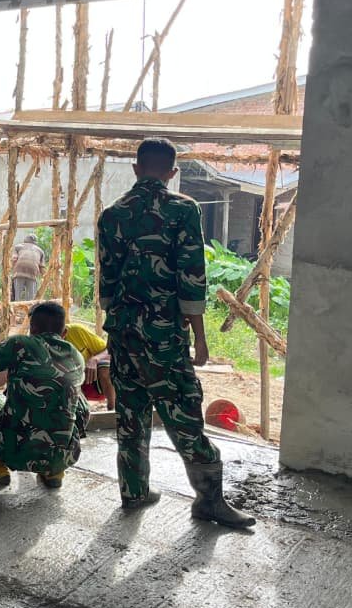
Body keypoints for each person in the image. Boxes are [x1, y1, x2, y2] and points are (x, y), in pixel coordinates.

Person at [97, 138, 254, 527]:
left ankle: (134, 492)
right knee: (183, 413)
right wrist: (199, 336)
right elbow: (191, 275)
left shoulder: (112, 215)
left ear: (136, 169)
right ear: (172, 172)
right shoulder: (183, 210)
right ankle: (209, 500)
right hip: (163, 335)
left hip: (123, 332)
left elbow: (107, 284)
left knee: (131, 413)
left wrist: (116, 328)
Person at [0, 301, 89, 490]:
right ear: (64, 333)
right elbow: (82, 413)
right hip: (62, 457)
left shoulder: (20, 344)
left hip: (12, 452)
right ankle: (53, 472)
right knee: (77, 399)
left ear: (32, 329)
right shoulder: (76, 357)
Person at [62, 322, 116, 410]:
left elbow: (107, 350)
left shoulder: (76, 331)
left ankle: (112, 410)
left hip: (89, 380)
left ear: (64, 332)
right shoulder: (39, 343)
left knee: (105, 367)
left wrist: (95, 359)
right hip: (65, 386)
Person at [10, 233, 46, 301]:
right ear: (36, 242)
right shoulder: (40, 251)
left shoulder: (18, 247)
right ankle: (30, 307)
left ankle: (16, 305)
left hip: (19, 272)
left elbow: (14, 259)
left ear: (25, 240)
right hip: (33, 274)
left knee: (17, 297)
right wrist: (45, 278)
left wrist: (12, 273)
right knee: (31, 298)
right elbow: (42, 267)